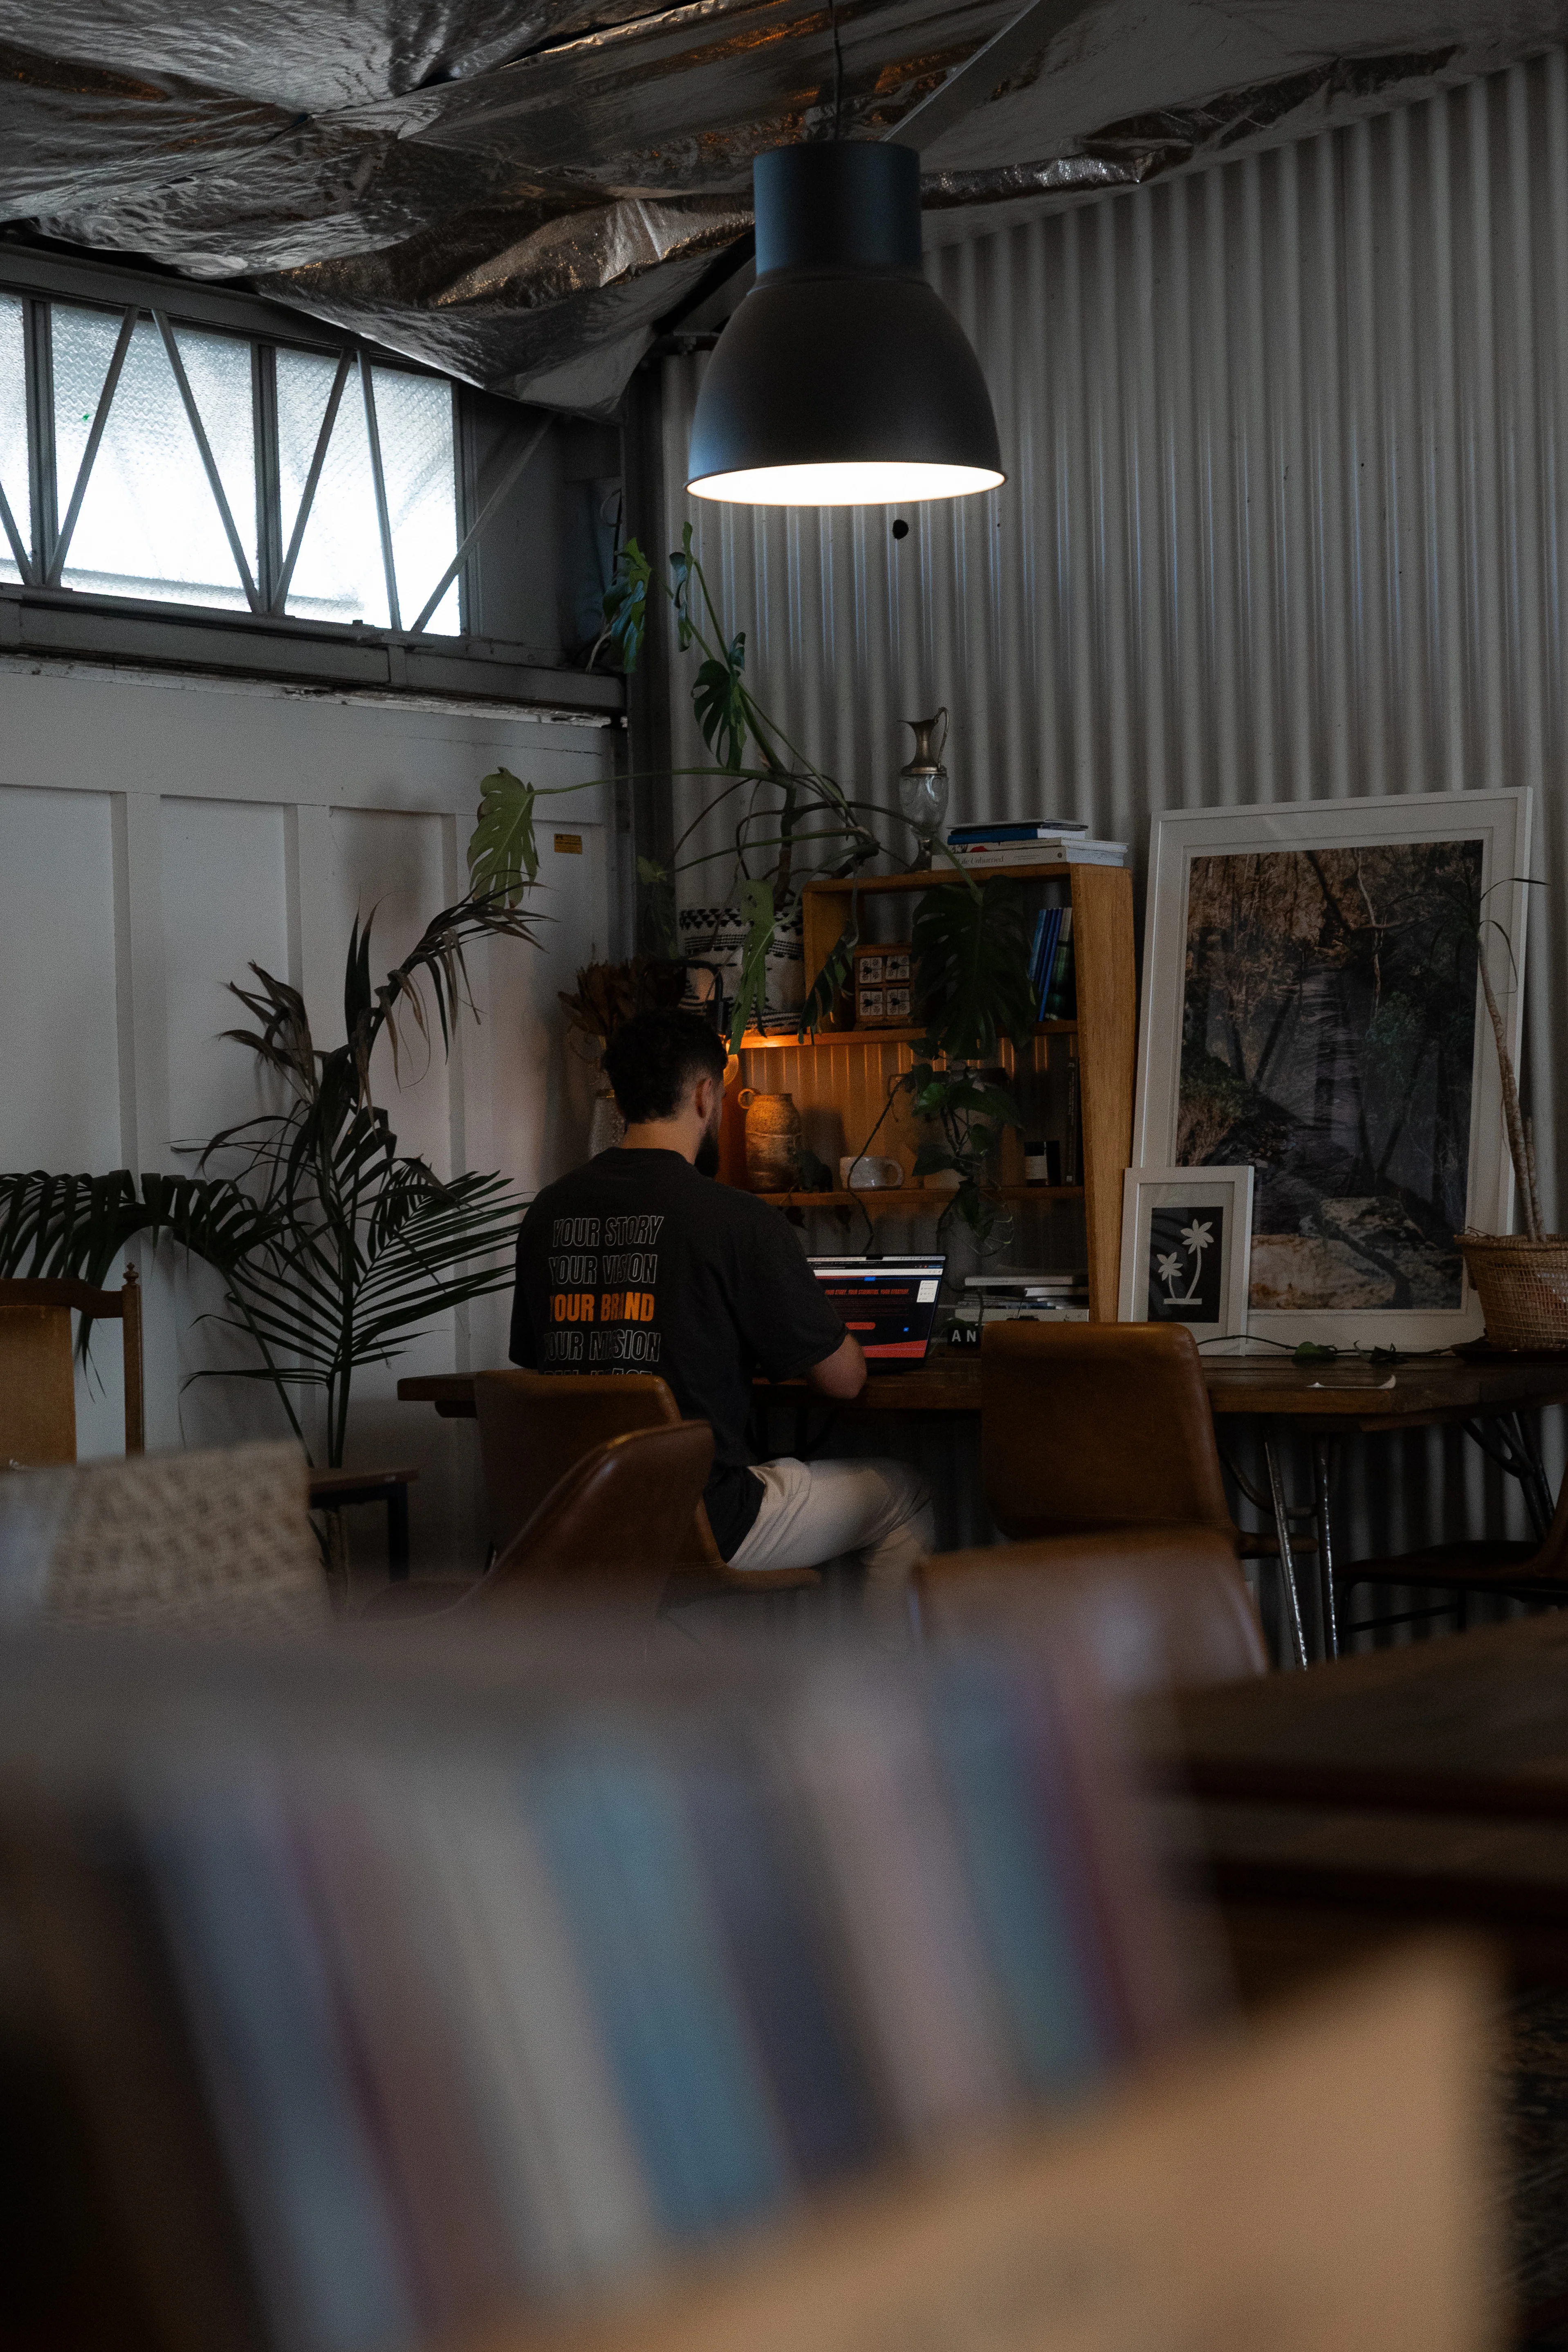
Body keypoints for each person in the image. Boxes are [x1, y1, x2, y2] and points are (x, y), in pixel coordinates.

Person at [509, 1008, 933, 1626]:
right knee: (904, 1493)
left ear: (621, 1099)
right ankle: (878, 1709)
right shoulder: (734, 1219)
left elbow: (534, 1359)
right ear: (706, 1094)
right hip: (701, 1518)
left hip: (577, 1517)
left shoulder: (547, 1212)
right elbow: (843, 1381)